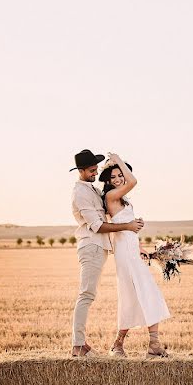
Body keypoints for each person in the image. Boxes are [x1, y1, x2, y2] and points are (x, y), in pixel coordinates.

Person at [69, 149, 144, 357]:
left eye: (96, 169)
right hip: (91, 246)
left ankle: (80, 343)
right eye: (91, 170)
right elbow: (97, 226)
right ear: (81, 170)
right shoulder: (81, 193)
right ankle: (77, 346)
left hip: (99, 248)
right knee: (86, 294)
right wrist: (127, 226)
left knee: (88, 294)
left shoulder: (90, 189)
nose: (95, 172)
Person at [100, 152, 170, 358]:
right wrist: (118, 159)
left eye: (119, 175)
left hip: (132, 250)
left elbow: (127, 229)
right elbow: (134, 180)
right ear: (108, 181)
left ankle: (151, 344)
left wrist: (139, 246)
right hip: (124, 255)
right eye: (113, 177)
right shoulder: (110, 197)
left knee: (147, 294)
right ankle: (120, 345)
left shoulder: (125, 200)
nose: (118, 179)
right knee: (134, 295)